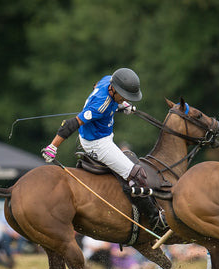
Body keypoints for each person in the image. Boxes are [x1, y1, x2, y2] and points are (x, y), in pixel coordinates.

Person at [41, 67, 166, 232]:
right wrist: (53, 147)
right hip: (97, 143)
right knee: (137, 175)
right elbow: (70, 124)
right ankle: (155, 220)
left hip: (104, 134)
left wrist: (122, 105)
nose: (125, 99)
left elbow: (96, 86)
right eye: (124, 96)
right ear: (113, 90)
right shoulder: (100, 105)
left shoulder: (108, 79)